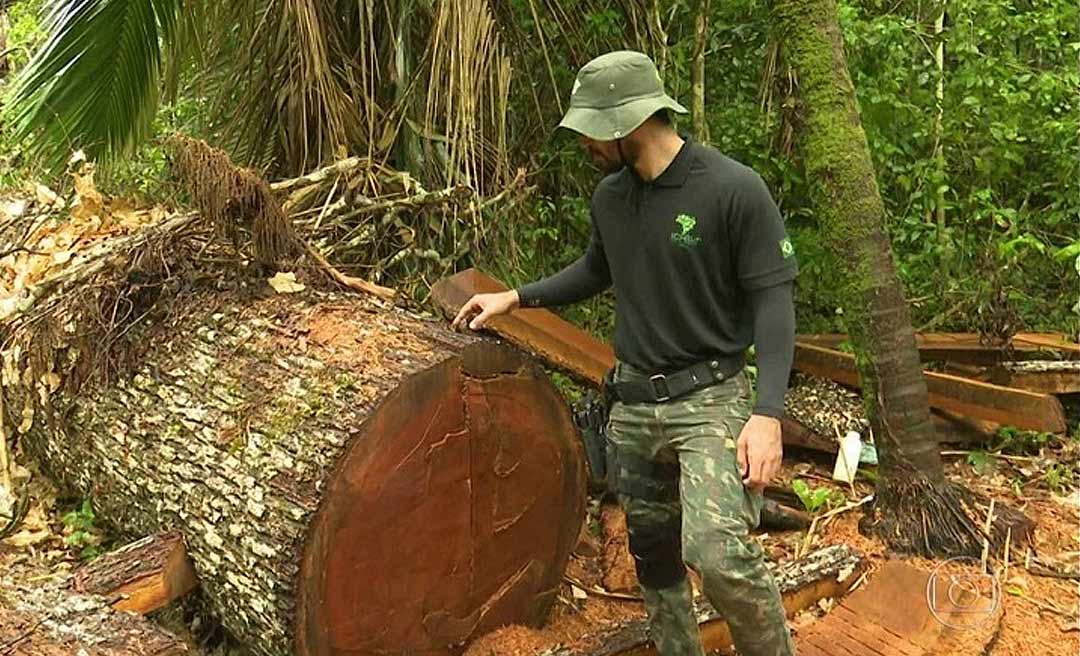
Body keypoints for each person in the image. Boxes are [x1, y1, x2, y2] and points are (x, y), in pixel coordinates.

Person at [452, 50, 797, 656]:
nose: (583, 140)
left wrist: (767, 414)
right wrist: (514, 297)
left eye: (590, 127)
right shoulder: (612, 198)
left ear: (627, 122)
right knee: (655, 557)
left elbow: (773, 303)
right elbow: (595, 269)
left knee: (718, 553)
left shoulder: (732, 189)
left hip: (710, 400)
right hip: (634, 404)